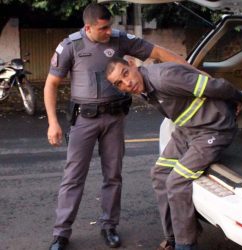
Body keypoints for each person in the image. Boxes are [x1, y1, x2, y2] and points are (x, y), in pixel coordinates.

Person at [44, 3, 187, 250]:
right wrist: (53, 123)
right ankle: (61, 234)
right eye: (103, 28)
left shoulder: (120, 40)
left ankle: (109, 226)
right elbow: (51, 84)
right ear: (88, 27)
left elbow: (159, 53)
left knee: (113, 176)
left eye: (110, 26)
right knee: (73, 177)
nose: (109, 31)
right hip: (84, 120)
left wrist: (191, 70)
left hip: (114, 118)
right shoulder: (71, 46)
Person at [105, 57, 242, 250]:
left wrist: (240, 99)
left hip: (214, 129)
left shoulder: (164, 78)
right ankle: (173, 237)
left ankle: (185, 244)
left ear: (133, 65)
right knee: (159, 174)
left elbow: (216, 86)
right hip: (187, 130)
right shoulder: (142, 87)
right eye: (119, 83)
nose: (127, 83)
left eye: (125, 73)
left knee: (177, 181)